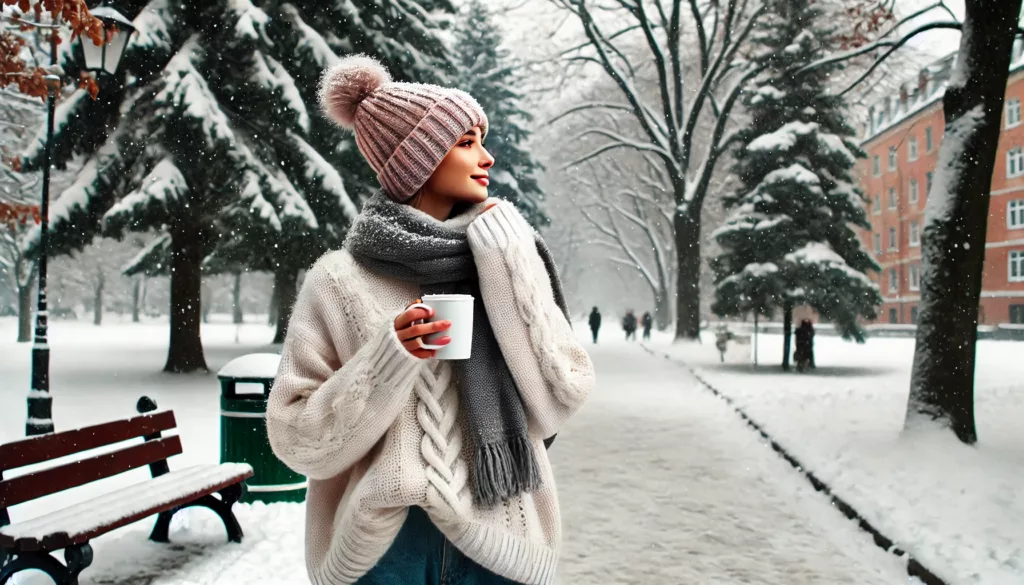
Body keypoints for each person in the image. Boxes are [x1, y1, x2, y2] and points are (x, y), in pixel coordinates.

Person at [267, 55, 595, 585]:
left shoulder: (508, 257)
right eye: (466, 143)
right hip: (385, 548)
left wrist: (508, 260)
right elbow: (297, 440)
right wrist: (387, 359)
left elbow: (562, 398)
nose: (486, 157)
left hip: (502, 538)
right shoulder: (337, 281)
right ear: (417, 161)